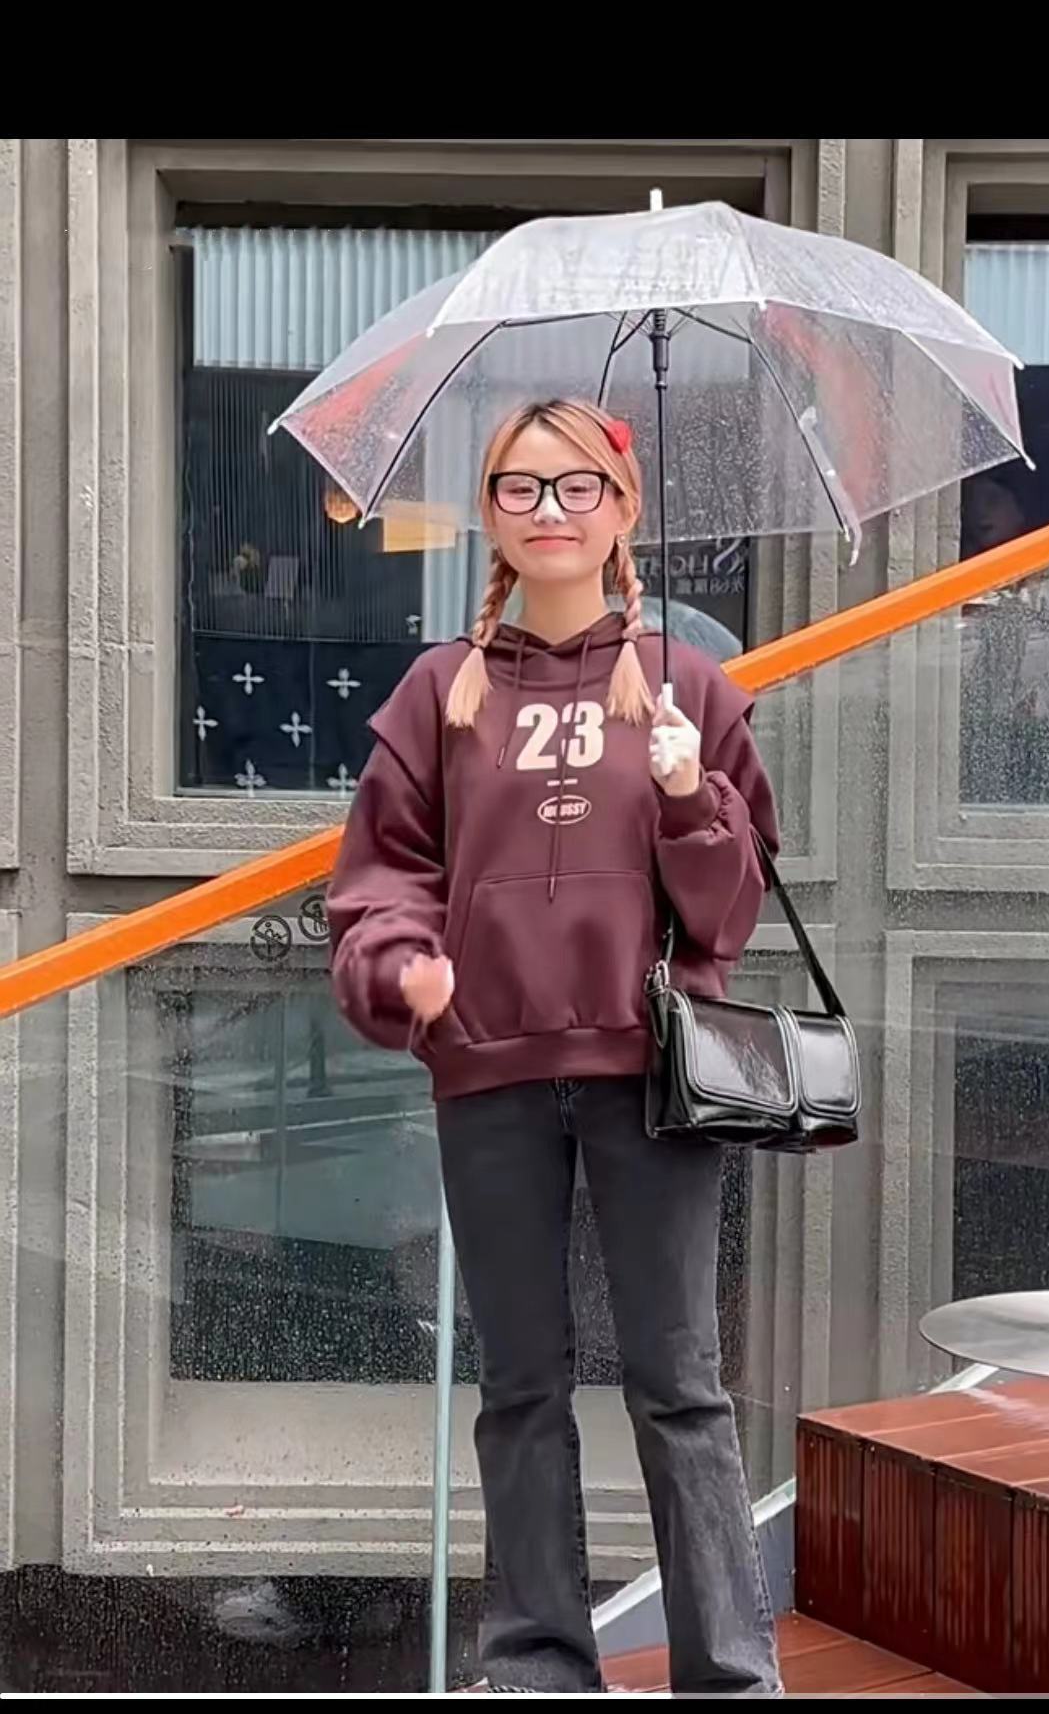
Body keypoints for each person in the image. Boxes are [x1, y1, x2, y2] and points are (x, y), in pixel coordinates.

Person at [327, 399, 782, 1697]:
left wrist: (693, 794)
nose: (549, 512)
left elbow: (730, 912)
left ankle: (730, 1671)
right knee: (519, 1382)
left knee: (678, 1383)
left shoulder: (691, 687)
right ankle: (536, 1662)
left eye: (577, 486)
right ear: (490, 513)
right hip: (489, 1071)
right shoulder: (439, 694)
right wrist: (402, 968)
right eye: (520, 488)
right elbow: (379, 879)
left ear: (622, 510)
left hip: (650, 1073)